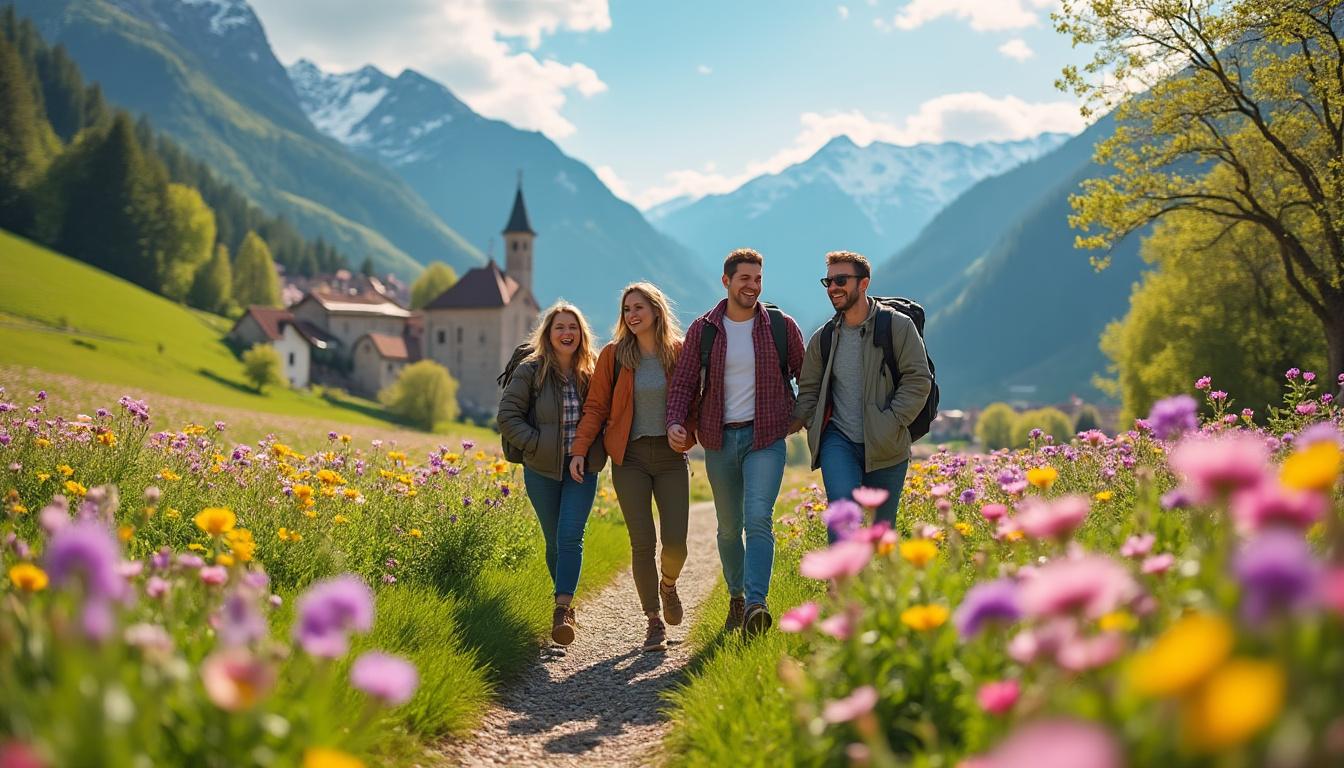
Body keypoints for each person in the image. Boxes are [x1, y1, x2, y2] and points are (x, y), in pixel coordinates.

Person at [667, 248, 804, 635]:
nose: (753, 286)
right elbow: (683, 383)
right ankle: (737, 597)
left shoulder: (780, 326)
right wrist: (676, 421)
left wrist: (796, 418)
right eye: (745, 278)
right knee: (729, 528)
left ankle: (757, 605)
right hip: (719, 439)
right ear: (726, 281)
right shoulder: (704, 330)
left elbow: (805, 376)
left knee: (758, 518)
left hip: (766, 437)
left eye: (758, 279)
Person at [570, 282, 697, 652]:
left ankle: (668, 585)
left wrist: (686, 433)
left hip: (672, 458)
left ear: (657, 311)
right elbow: (596, 407)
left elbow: (694, 404)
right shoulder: (614, 355)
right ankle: (653, 621)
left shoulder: (679, 352)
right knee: (643, 543)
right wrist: (580, 449)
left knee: (676, 543)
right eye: (627, 309)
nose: (632, 314)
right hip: (630, 459)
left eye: (639, 307)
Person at [792, 251, 932, 536]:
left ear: (864, 283)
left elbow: (918, 380)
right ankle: (841, 581)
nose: (833, 288)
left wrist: (891, 421)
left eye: (841, 280)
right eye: (828, 281)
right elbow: (808, 390)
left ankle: (873, 581)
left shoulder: (897, 327)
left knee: (881, 533)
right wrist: (806, 423)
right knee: (843, 522)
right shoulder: (825, 338)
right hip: (838, 442)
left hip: (888, 446)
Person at [498, 301, 607, 647]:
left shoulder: (591, 372)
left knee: (570, 536)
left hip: (582, 468)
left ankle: (563, 609)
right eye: (559, 327)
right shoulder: (531, 371)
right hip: (541, 470)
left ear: (581, 334)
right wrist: (535, 445)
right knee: (553, 540)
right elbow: (507, 416)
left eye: (572, 327)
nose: (566, 333)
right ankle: (563, 600)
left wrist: (592, 451)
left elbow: (604, 417)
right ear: (548, 333)